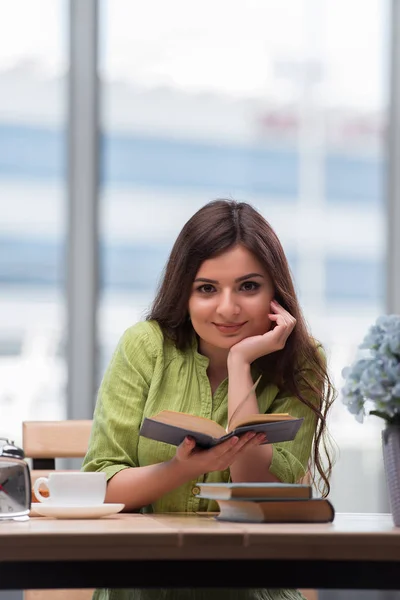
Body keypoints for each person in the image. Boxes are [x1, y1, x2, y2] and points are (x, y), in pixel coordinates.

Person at [82, 199, 335, 600]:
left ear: (275, 292)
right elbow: (102, 486)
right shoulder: (145, 345)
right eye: (207, 289)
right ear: (184, 292)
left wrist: (240, 362)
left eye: (249, 287)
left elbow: (257, 489)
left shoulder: (303, 361)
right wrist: (180, 468)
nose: (228, 308)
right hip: (144, 588)